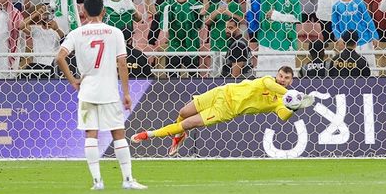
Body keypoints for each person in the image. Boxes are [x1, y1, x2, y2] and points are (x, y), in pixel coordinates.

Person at [57, 0, 147, 190]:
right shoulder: (114, 32)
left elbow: (60, 57)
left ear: (84, 12)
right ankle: (128, 180)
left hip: (87, 90)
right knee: (118, 133)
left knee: (91, 134)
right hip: (109, 91)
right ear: (104, 11)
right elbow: (122, 63)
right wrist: (127, 93)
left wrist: (73, 80)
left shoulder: (76, 33)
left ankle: (97, 182)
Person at [132, 66, 314, 155]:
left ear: (291, 80)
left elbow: (283, 116)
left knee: (187, 123)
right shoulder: (268, 80)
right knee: (183, 112)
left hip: (225, 110)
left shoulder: (280, 102)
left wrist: (293, 107)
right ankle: (180, 136)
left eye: (286, 78)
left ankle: (149, 134)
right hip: (221, 92)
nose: (282, 79)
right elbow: (269, 84)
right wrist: (290, 93)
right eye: (281, 76)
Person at [256, 0, 301, 77]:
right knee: (265, 78)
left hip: (286, 42)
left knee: (285, 79)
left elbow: (296, 18)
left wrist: (276, 15)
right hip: (267, 41)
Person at [331, 0, 379, 71]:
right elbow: (335, 26)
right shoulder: (336, 6)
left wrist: (374, 36)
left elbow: (367, 19)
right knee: (352, 70)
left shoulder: (358, 1)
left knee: (371, 69)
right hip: (348, 44)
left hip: (365, 40)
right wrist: (339, 38)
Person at [20, 4, 64, 78]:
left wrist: (57, 29)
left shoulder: (58, 29)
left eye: (48, 14)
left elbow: (64, 41)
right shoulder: (35, 29)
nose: (46, 17)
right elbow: (21, 26)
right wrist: (36, 13)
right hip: (37, 66)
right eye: (44, 14)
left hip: (53, 66)